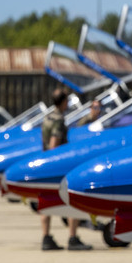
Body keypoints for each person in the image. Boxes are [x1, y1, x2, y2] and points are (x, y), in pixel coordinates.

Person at [38, 86, 89, 252]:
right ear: (64, 102)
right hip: (57, 165)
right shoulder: (59, 119)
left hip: (45, 162)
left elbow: (45, 143)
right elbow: (54, 144)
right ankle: (72, 238)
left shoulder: (47, 117)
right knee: (71, 199)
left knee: (46, 200)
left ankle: (46, 237)